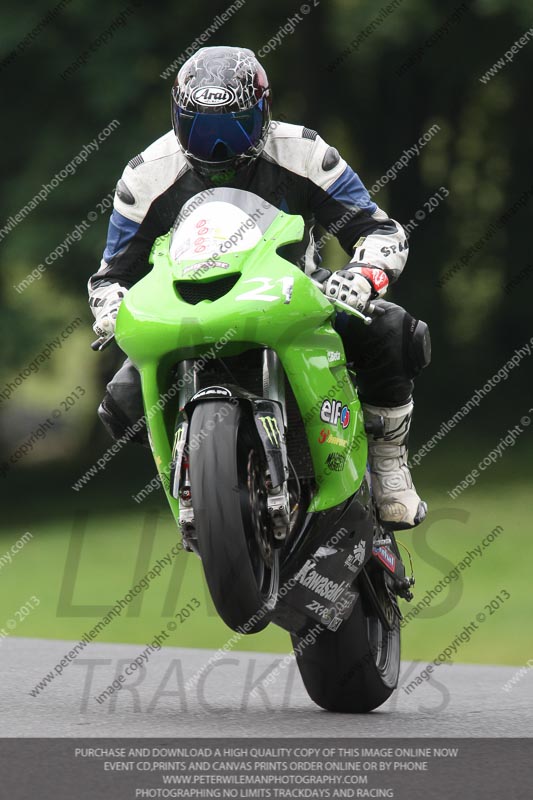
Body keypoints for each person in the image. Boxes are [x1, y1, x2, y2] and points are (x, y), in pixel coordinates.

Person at [88, 45, 430, 530]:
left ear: (264, 113)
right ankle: (201, 478)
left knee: (394, 330)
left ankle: (389, 461)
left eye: (234, 127)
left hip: (294, 294)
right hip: (184, 305)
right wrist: (111, 308)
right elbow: (110, 276)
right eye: (203, 129)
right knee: (119, 405)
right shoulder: (145, 175)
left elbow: (380, 230)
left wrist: (362, 276)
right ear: (177, 119)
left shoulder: (307, 152)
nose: (219, 148)